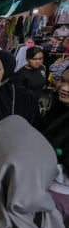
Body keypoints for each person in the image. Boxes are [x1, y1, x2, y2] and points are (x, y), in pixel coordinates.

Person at [40, 61, 69, 219]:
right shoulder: (57, 111)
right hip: (41, 186)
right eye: (63, 81)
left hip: (59, 195)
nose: (64, 88)